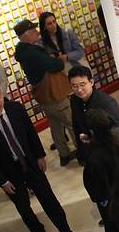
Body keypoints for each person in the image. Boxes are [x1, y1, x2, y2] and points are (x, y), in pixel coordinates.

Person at [0, 81, 85, 232]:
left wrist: (40, 155)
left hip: (30, 162)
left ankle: (66, 231)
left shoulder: (16, 109)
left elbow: (30, 132)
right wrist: (2, 181)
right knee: (24, 208)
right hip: (10, 172)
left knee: (49, 199)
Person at [13, 18, 77, 166]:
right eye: (33, 30)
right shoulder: (31, 52)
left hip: (44, 96)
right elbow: (54, 65)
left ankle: (64, 154)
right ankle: (83, 152)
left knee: (55, 125)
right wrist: (58, 60)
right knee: (71, 122)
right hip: (54, 94)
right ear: (26, 34)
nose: (37, 32)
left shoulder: (23, 52)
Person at [82, 109, 119, 232]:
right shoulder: (116, 142)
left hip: (108, 200)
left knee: (113, 229)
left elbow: (92, 183)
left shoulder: (95, 156)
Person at [68, 65, 119, 163]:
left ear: (91, 82)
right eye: (74, 86)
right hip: (90, 155)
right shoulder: (74, 100)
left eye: (82, 84)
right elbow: (76, 126)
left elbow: (117, 135)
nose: (79, 89)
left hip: (109, 155)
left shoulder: (106, 102)